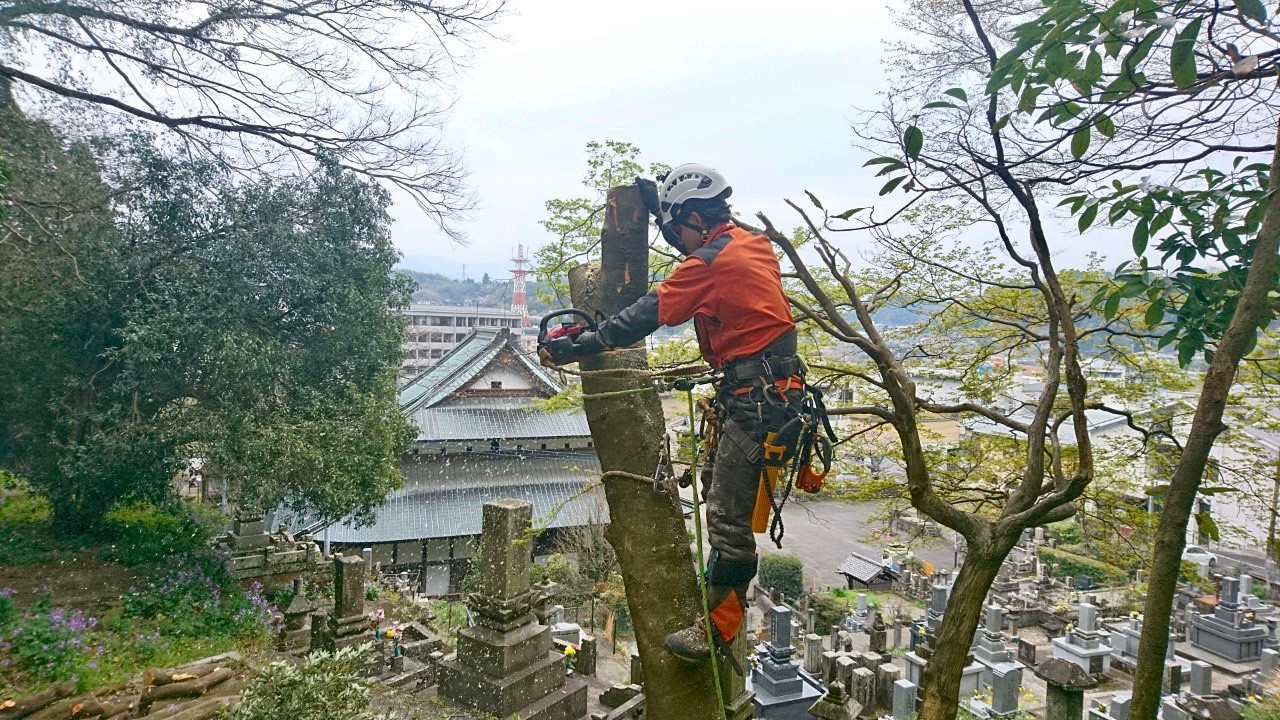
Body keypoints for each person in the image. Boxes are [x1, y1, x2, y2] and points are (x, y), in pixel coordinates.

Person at [540, 163, 804, 663]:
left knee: (726, 517)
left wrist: (584, 343)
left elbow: (647, 312)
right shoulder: (752, 244)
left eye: (676, 227)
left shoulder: (711, 263)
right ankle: (719, 607)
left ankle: (719, 630)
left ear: (695, 218)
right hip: (768, 393)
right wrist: (656, 195)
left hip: (759, 401)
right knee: (717, 489)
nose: (677, 241)